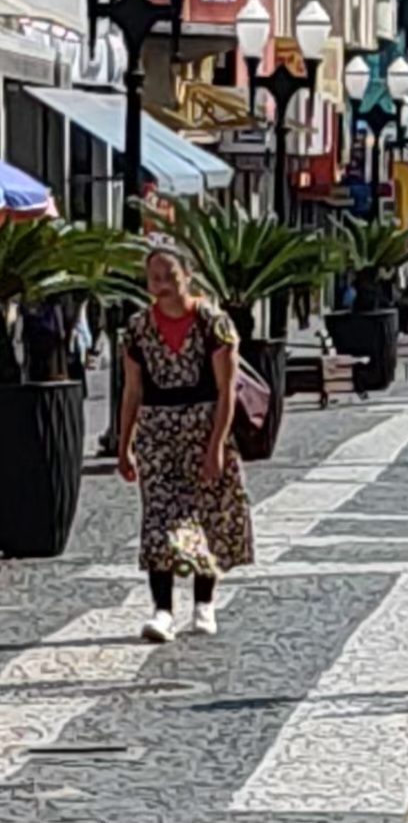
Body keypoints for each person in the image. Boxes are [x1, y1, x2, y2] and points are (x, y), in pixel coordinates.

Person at [118, 245, 254, 644]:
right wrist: (124, 445)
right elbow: (132, 391)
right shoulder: (138, 329)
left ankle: (204, 603)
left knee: (207, 515)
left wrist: (216, 445)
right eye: (154, 278)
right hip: (158, 435)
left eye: (169, 276)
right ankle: (162, 610)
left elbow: (227, 389)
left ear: (188, 276)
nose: (162, 285)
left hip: (204, 427)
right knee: (159, 522)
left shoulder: (213, 322)